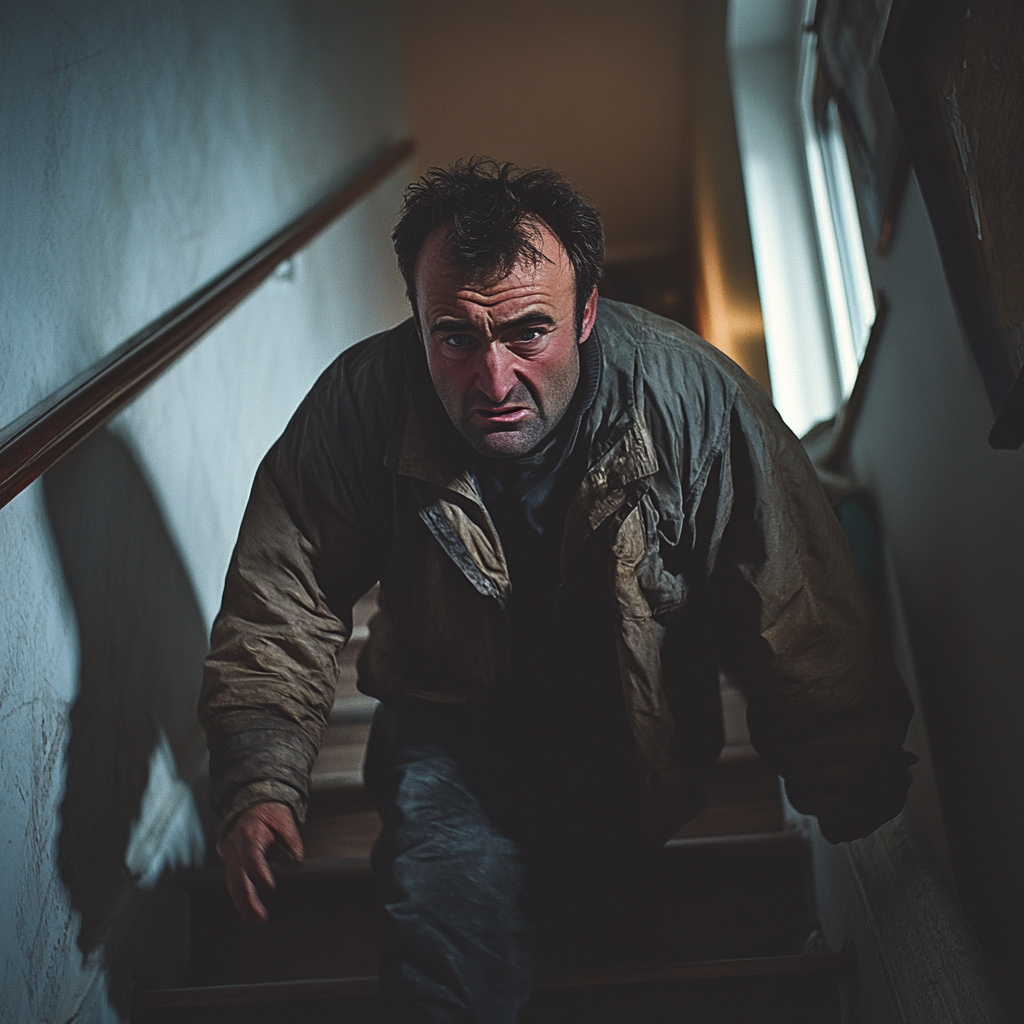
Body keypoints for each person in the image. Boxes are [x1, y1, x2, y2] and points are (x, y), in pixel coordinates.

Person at [199, 158, 915, 1023]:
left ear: (585, 314)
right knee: (446, 927)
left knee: (597, 925)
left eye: (528, 333)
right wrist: (260, 774)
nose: (493, 382)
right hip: (447, 724)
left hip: (629, 727)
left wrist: (849, 770)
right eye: (455, 338)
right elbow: (288, 583)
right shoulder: (362, 403)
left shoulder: (688, 398)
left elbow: (789, 587)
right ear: (417, 325)